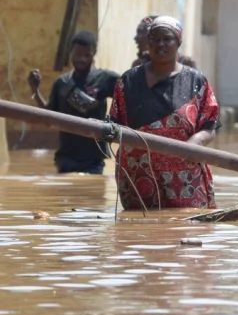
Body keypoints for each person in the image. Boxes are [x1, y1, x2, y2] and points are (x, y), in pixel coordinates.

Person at [109, 16, 220, 210]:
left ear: (178, 42)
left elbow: (210, 126)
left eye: (167, 39)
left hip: (185, 179)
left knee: (186, 228)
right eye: (154, 39)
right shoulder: (128, 81)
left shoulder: (196, 81)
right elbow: (115, 125)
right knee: (139, 232)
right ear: (148, 42)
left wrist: (197, 141)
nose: (160, 44)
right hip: (138, 176)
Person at [27, 31, 119, 174]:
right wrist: (35, 90)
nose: (81, 59)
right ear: (70, 52)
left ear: (94, 53)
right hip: (65, 158)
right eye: (77, 55)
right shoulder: (62, 83)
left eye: (86, 55)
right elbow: (49, 118)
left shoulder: (106, 79)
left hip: (92, 160)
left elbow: (129, 97)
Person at [132, 15, 197, 69]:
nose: (136, 38)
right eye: (156, 39)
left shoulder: (187, 64)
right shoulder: (138, 67)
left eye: (166, 39)